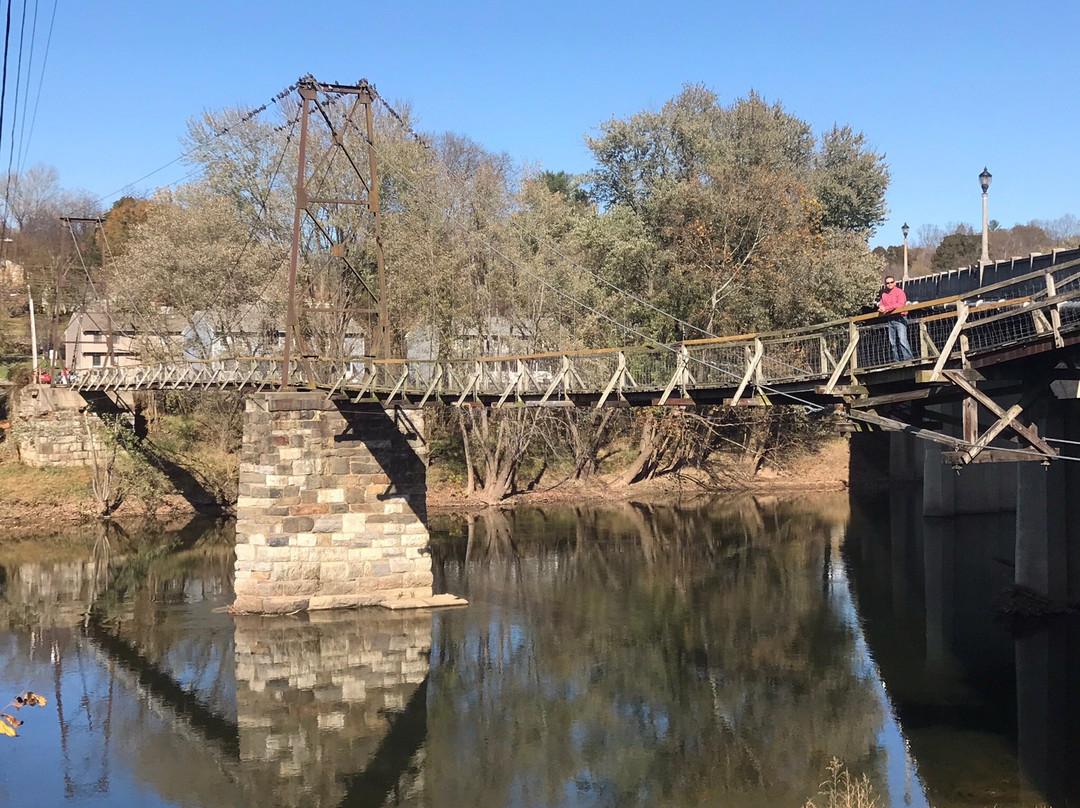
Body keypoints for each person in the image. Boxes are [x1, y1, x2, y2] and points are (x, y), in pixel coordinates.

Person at [878, 275, 913, 362]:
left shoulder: (900, 292)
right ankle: (897, 361)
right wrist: (880, 306)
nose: (889, 284)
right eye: (887, 283)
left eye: (891, 282)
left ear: (895, 283)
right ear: (885, 284)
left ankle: (908, 359)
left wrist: (886, 308)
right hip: (891, 319)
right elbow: (881, 303)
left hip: (900, 318)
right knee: (893, 342)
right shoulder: (884, 294)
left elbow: (900, 304)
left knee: (902, 340)